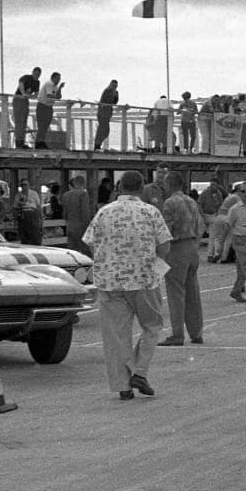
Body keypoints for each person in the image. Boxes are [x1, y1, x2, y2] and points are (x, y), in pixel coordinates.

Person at [82, 169, 171, 400]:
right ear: (142, 188)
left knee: (116, 336)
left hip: (110, 281)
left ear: (119, 188)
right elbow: (164, 246)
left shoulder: (103, 212)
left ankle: (123, 386)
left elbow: (91, 243)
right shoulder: (150, 212)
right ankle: (140, 372)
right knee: (152, 326)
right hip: (144, 280)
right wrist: (156, 266)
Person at [159, 172, 206, 345]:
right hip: (193, 247)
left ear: (170, 184)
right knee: (193, 292)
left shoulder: (170, 203)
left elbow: (166, 230)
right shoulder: (191, 201)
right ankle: (196, 332)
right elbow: (200, 225)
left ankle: (177, 334)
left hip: (177, 248)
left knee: (176, 293)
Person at [60, 175, 94, 257]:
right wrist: (89, 227)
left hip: (70, 227)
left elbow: (64, 214)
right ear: (84, 183)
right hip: (81, 227)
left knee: (72, 251)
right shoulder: (83, 194)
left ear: (74, 183)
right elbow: (85, 212)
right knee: (85, 252)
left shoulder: (66, 195)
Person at [13, 67, 41, 149]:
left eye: (39, 75)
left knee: (24, 122)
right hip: (18, 99)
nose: (37, 76)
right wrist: (24, 93)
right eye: (36, 74)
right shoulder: (26, 77)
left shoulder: (37, 82)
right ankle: (18, 143)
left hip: (25, 101)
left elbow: (36, 94)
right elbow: (21, 84)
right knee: (19, 122)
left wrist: (31, 96)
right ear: (32, 72)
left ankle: (22, 142)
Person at [35, 71, 64, 149]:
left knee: (46, 125)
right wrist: (56, 96)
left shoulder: (55, 87)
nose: (58, 80)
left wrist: (60, 88)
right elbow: (49, 95)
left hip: (49, 107)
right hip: (42, 106)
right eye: (57, 79)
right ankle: (38, 143)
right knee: (42, 125)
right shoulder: (49, 84)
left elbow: (59, 96)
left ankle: (41, 141)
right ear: (53, 78)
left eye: (59, 79)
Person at [15, 178, 43, 245]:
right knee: (24, 237)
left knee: (35, 236)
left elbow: (38, 206)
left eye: (25, 184)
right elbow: (15, 207)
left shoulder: (34, 193)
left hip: (33, 214)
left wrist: (41, 219)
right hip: (22, 215)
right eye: (22, 185)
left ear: (28, 185)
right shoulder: (18, 195)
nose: (23, 186)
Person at [93, 79, 118, 152]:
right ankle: (97, 146)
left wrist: (116, 96)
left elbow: (114, 102)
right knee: (102, 130)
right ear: (110, 84)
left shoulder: (115, 92)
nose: (114, 87)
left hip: (108, 113)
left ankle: (98, 145)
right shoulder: (107, 90)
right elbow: (104, 101)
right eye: (113, 85)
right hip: (102, 112)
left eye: (115, 86)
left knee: (106, 131)